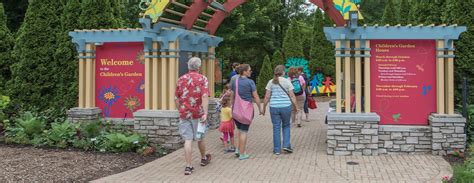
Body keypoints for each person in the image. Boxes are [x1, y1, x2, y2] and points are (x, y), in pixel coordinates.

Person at [175, 57, 211, 175]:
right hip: (198, 114)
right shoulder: (203, 79)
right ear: (199, 67)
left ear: (188, 66)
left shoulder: (181, 79)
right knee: (200, 137)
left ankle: (189, 166)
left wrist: (180, 109)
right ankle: (203, 158)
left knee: (188, 140)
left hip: (185, 113)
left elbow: (176, 98)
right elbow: (204, 96)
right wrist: (205, 113)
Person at [262, 65, 298, 155]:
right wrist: (296, 107)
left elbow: (266, 97)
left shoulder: (270, 82)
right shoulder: (287, 82)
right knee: (286, 126)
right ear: (283, 72)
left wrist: (263, 109)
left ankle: (277, 149)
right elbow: (292, 96)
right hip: (286, 107)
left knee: (276, 127)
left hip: (274, 107)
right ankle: (286, 145)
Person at [230, 64, 262, 160]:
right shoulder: (250, 82)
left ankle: (237, 149)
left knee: (238, 130)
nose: (250, 72)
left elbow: (232, 95)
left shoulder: (235, 81)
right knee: (244, 132)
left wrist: (231, 107)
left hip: (236, 110)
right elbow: (256, 97)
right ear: (244, 71)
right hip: (246, 111)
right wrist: (260, 108)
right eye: (249, 70)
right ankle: (242, 154)